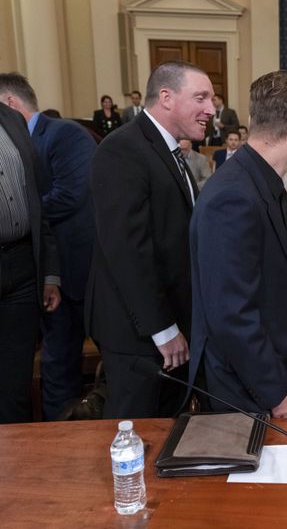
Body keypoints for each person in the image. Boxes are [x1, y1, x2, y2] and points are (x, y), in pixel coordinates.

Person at [188, 71, 287, 418]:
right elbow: (231, 315)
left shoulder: (260, 179)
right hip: (251, 390)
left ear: (251, 120)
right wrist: (276, 391)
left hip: (279, 368)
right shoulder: (233, 195)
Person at [86, 60, 214, 419]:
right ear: (167, 97)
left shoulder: (171, 150)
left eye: (212, 99)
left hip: (170, 325)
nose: (211, 109)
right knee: (136, 438)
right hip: (139, 332)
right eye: (201, 97)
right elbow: (127, 251)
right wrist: (163, 328)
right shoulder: (122, 149)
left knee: (164, 433)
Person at [0, 72, 96, 420]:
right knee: (56, 365)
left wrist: (26, 210)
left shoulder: (64, 133)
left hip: (82, 270)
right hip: (46, 273)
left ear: (10, 104)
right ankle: (58, 433)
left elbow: (72, 195)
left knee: (107, 359)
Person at [0, 102, 61, 423]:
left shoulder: (11, 119)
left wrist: (49, 273)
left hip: (23, 266)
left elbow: (38, 201)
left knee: (16, 382)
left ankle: (17, 464)